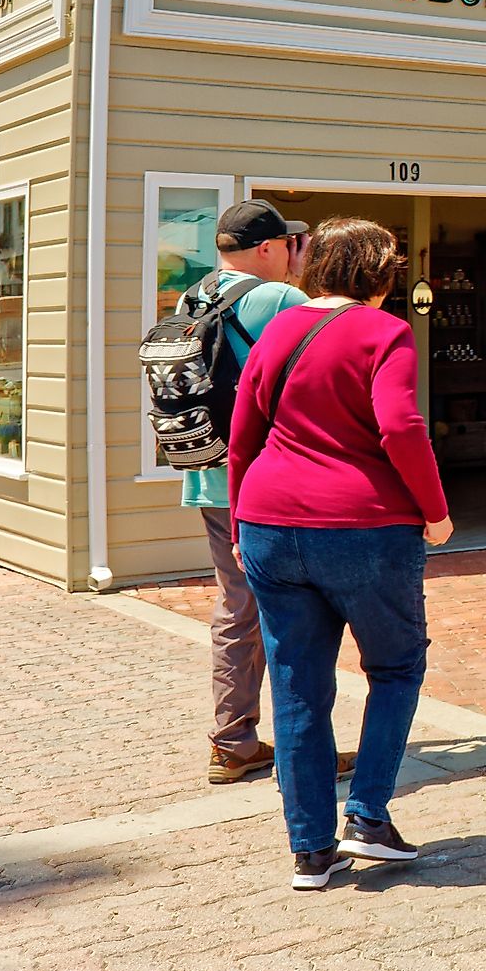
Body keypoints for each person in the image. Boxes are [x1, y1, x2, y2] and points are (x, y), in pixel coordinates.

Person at [228, 218, 453, 892]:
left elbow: (244, 431)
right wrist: (436, 512)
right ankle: (367, 815)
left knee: (298, 686)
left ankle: (310, 850)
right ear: (379, 273)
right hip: (365, 525)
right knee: (396, 666)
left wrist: (240, 518)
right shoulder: (385, 332)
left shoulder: (278, 332)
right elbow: (401, 424)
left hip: (269, 519)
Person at [177, 200, 325, 785]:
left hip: (208, 474)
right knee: (298, 612)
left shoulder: (195, 296)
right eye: (290, 245)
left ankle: (234, 737)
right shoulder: (280, 300)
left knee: (237, 606)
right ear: (269, 248)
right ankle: (295, 746)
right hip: (270, 482)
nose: (294, 255)